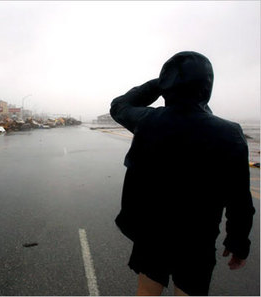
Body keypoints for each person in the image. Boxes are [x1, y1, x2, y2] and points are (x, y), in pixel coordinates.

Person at [109, 51, 255, 296]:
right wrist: (238, 241)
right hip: (198, 238)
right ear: (207, 86)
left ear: (168, 84)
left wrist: (162, 83)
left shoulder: (148, 120)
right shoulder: (229, 133)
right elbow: (239, 198)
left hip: (151, 231)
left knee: (147, 289)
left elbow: (120, 105)